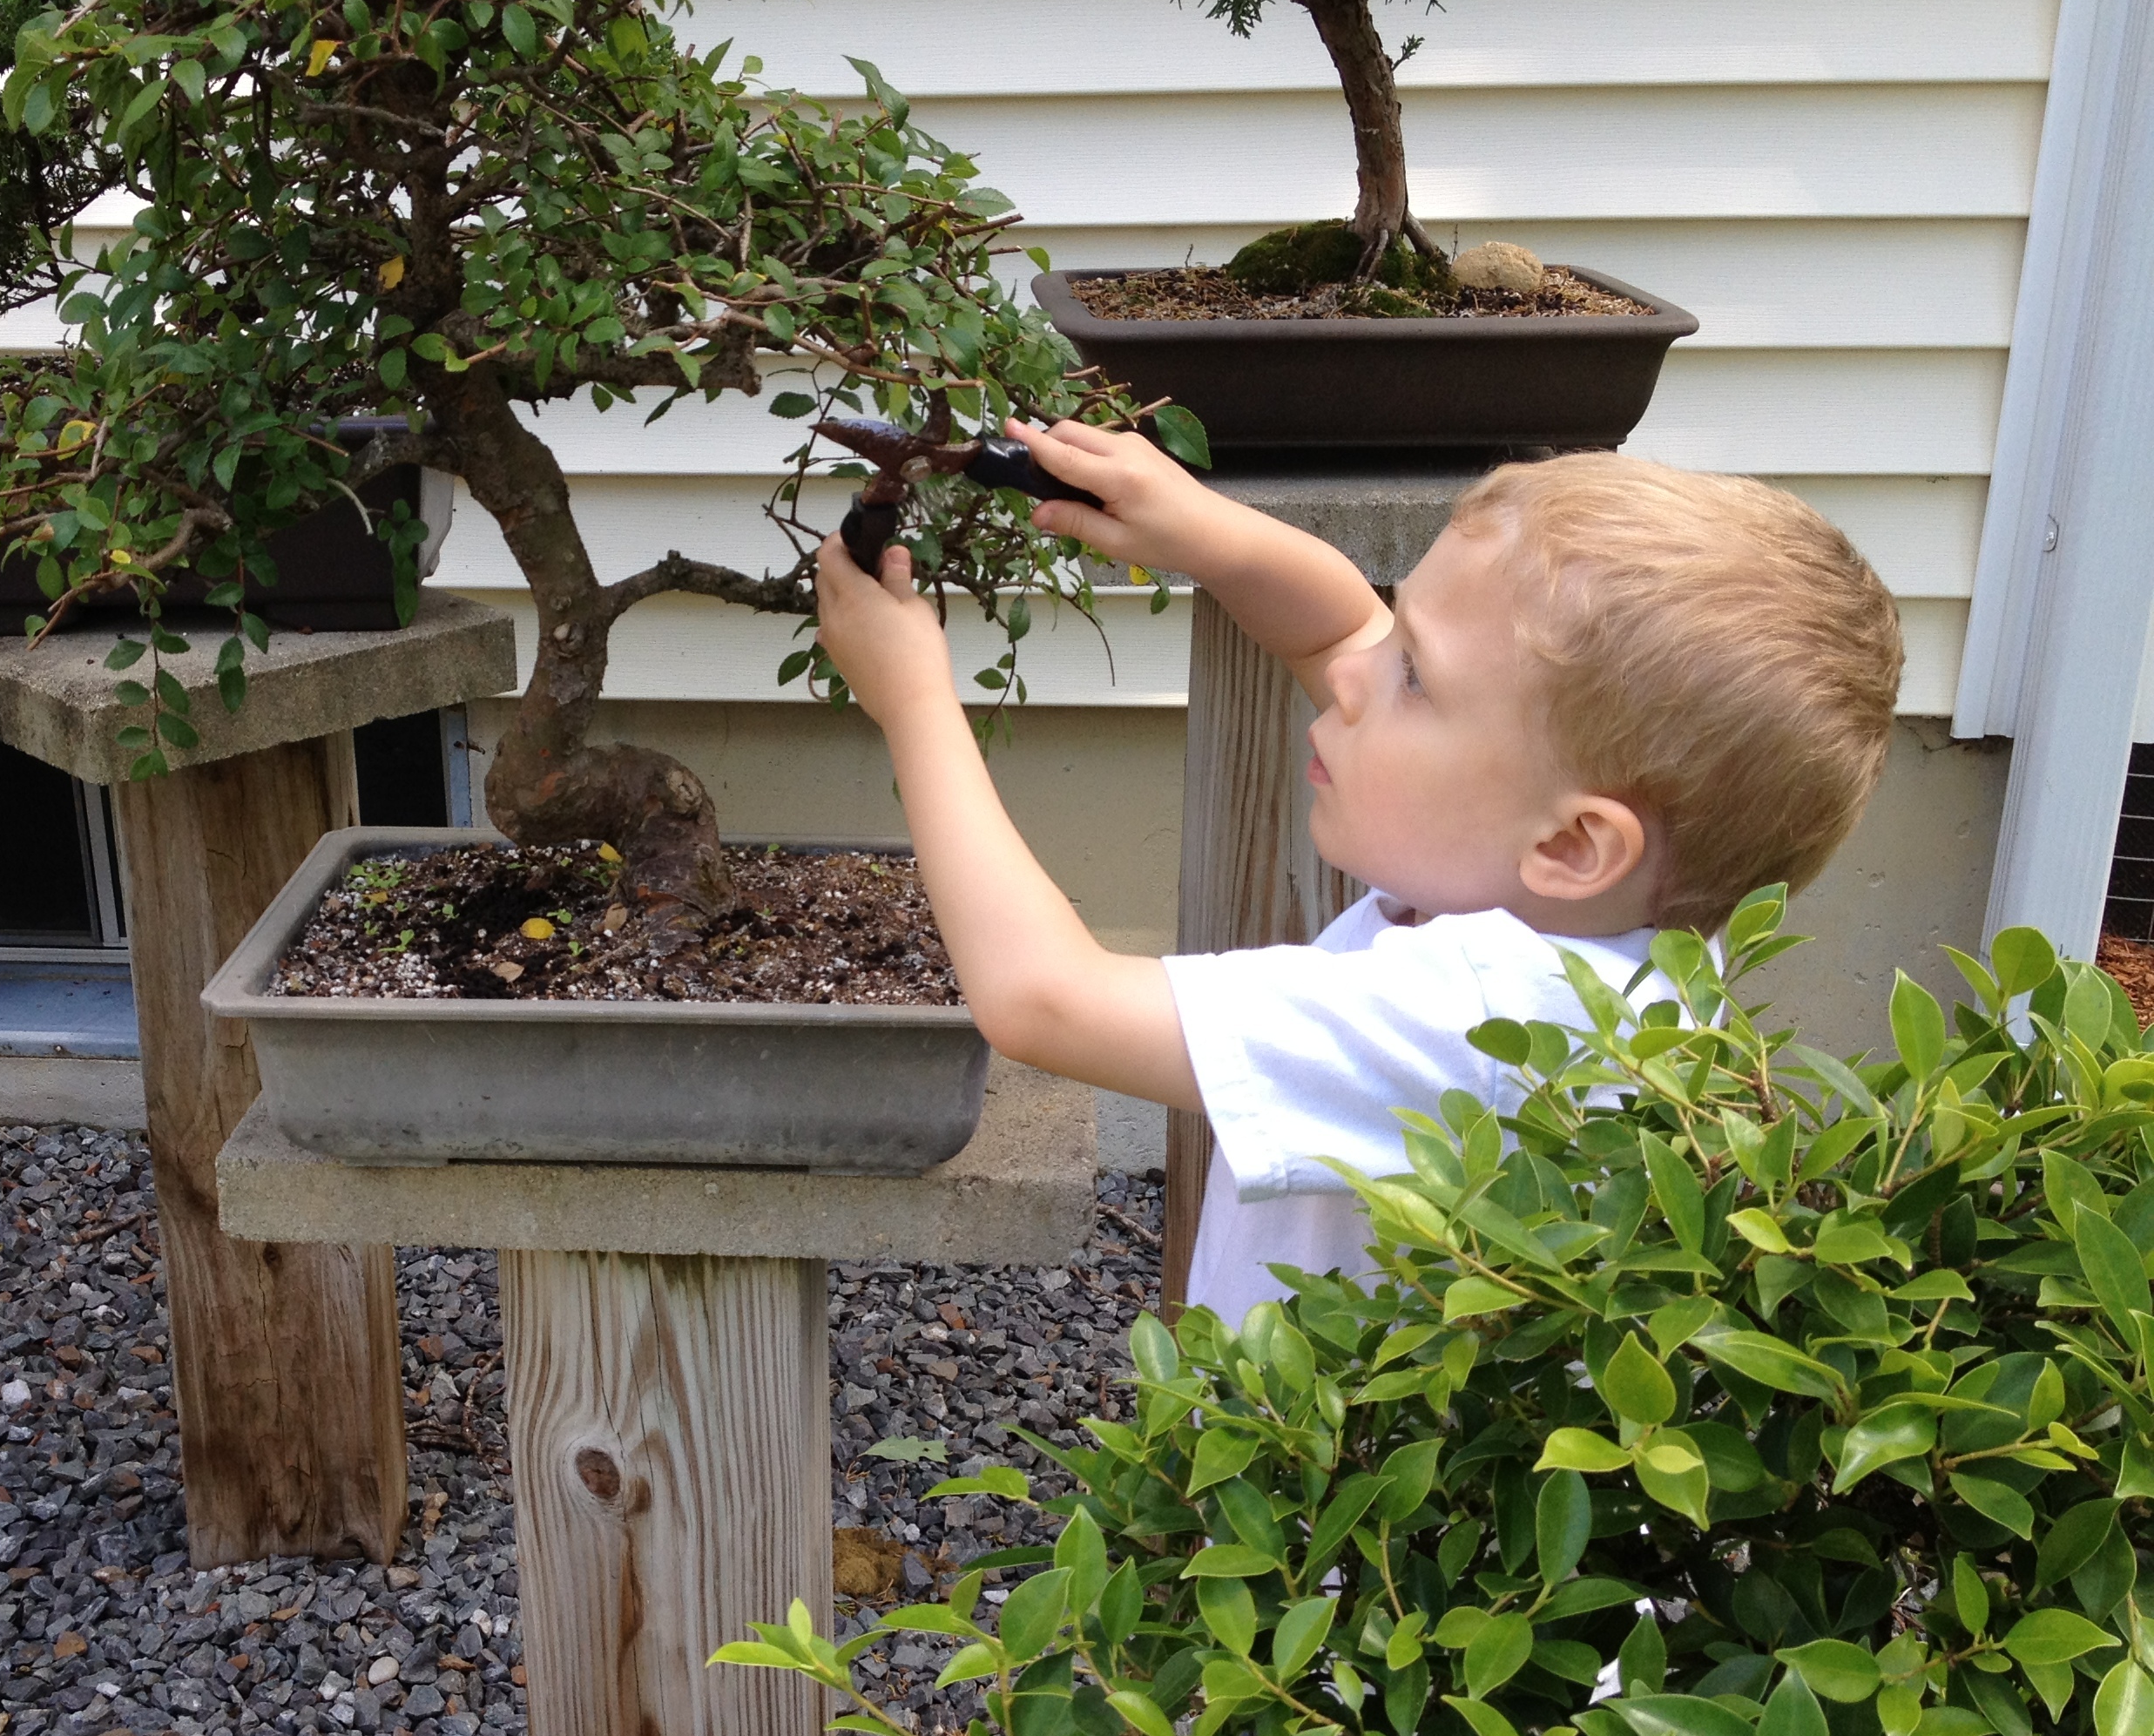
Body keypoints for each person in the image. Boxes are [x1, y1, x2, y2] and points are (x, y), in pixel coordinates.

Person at [813, 422, 1902, 1321]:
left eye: (1413, 677)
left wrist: (913, 702)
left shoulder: (1487, 1030)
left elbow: (1042, 1000)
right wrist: (1203, 529)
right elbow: (1344, 622)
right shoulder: (1611, 916)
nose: (1348, 676)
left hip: (1340, 1566)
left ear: (1572, 846)